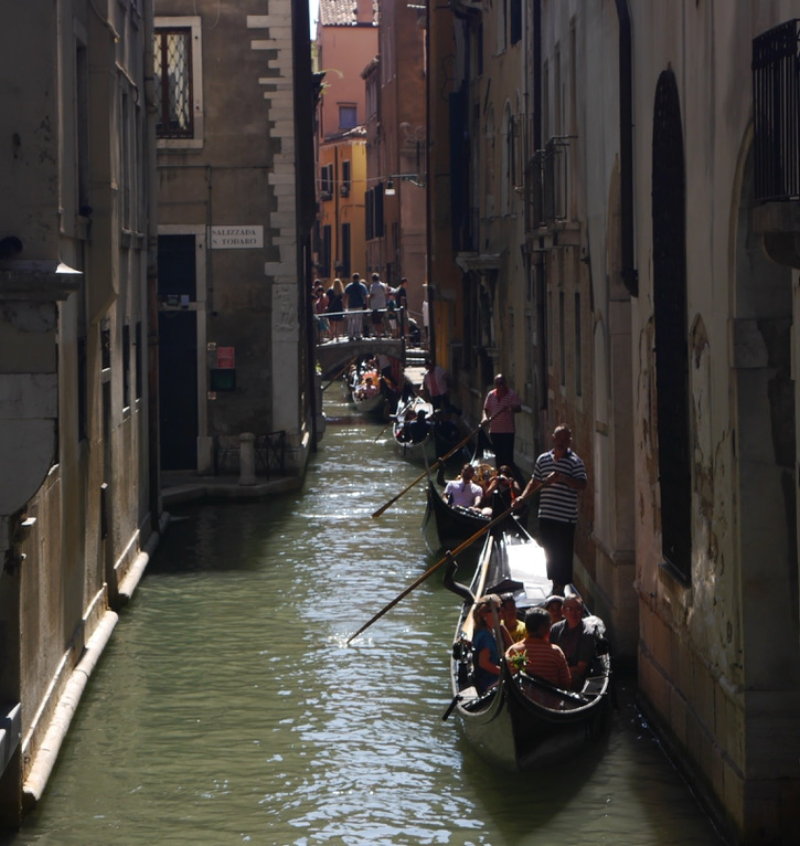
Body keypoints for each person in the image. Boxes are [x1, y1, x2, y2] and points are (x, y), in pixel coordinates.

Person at [518, 424, 587, 592]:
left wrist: (562, 478)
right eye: (559, 439)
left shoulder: (575, 462)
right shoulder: (543, 459)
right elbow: (534, 481)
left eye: (565, 439)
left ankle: (560, 587)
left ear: (569, 441)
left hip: (566, 517)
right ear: (553, 439)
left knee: (563, 553)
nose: (562, 442)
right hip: (546, 514)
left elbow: (582, 484)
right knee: (549, 552)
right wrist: (522, 497)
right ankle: (555, 583)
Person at [505, 607, 572, 689]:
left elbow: (507, 679)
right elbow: (566, 683)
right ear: (544, 628)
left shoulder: (513, 651)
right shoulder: (555, 652)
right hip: (548, 700)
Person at [549, 595, 597, 689]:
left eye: (578, 609)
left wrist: (557, 671)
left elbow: (580, 669)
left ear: (582, 611)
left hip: (577, 678)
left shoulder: (587, 633)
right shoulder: (555, 629)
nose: (575, 613)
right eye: (570, 609)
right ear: (563, 611)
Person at [481, 374, 522, 471]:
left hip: (508, 432)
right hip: (494, 431)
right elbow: (485, 409)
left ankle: (508, 478)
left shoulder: (512, 395)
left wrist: (510, 408)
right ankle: (499, 478)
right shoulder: (491, 395)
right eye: (498, 384)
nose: (501, 386)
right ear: (495, 385)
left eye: (502, 383)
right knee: (498, 458)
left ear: (506, 383)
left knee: (508, 459)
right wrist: (484, 418)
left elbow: (518, 408)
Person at [470, 595, 503, 693]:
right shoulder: (485, 636)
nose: (500, 614)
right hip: (488, 683)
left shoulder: (489, 632)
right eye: (497, 610)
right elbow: (484, 663)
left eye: (500, 609)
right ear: (483, 614)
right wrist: (504, 673)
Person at [344, 272, 368, 340]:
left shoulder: (349, 286)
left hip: (351, 306)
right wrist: (367, 305)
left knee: (351, 321)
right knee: (358, 321)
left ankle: (350, 335)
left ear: (352, 278)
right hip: (359, 306)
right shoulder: (362, 286)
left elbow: (345, 296)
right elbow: (366, 296)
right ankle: (358, 334)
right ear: (358, 278)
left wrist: (344, 304)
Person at [368, 272, 388, 337]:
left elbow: (372, 295)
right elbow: (386, 294)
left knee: (376, 321)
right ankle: (381, 332)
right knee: (380, 319)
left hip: (375, 306)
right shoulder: (383, 285)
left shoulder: (373, 286)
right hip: (382, 305)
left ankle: (378, 333)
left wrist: (367, 297)